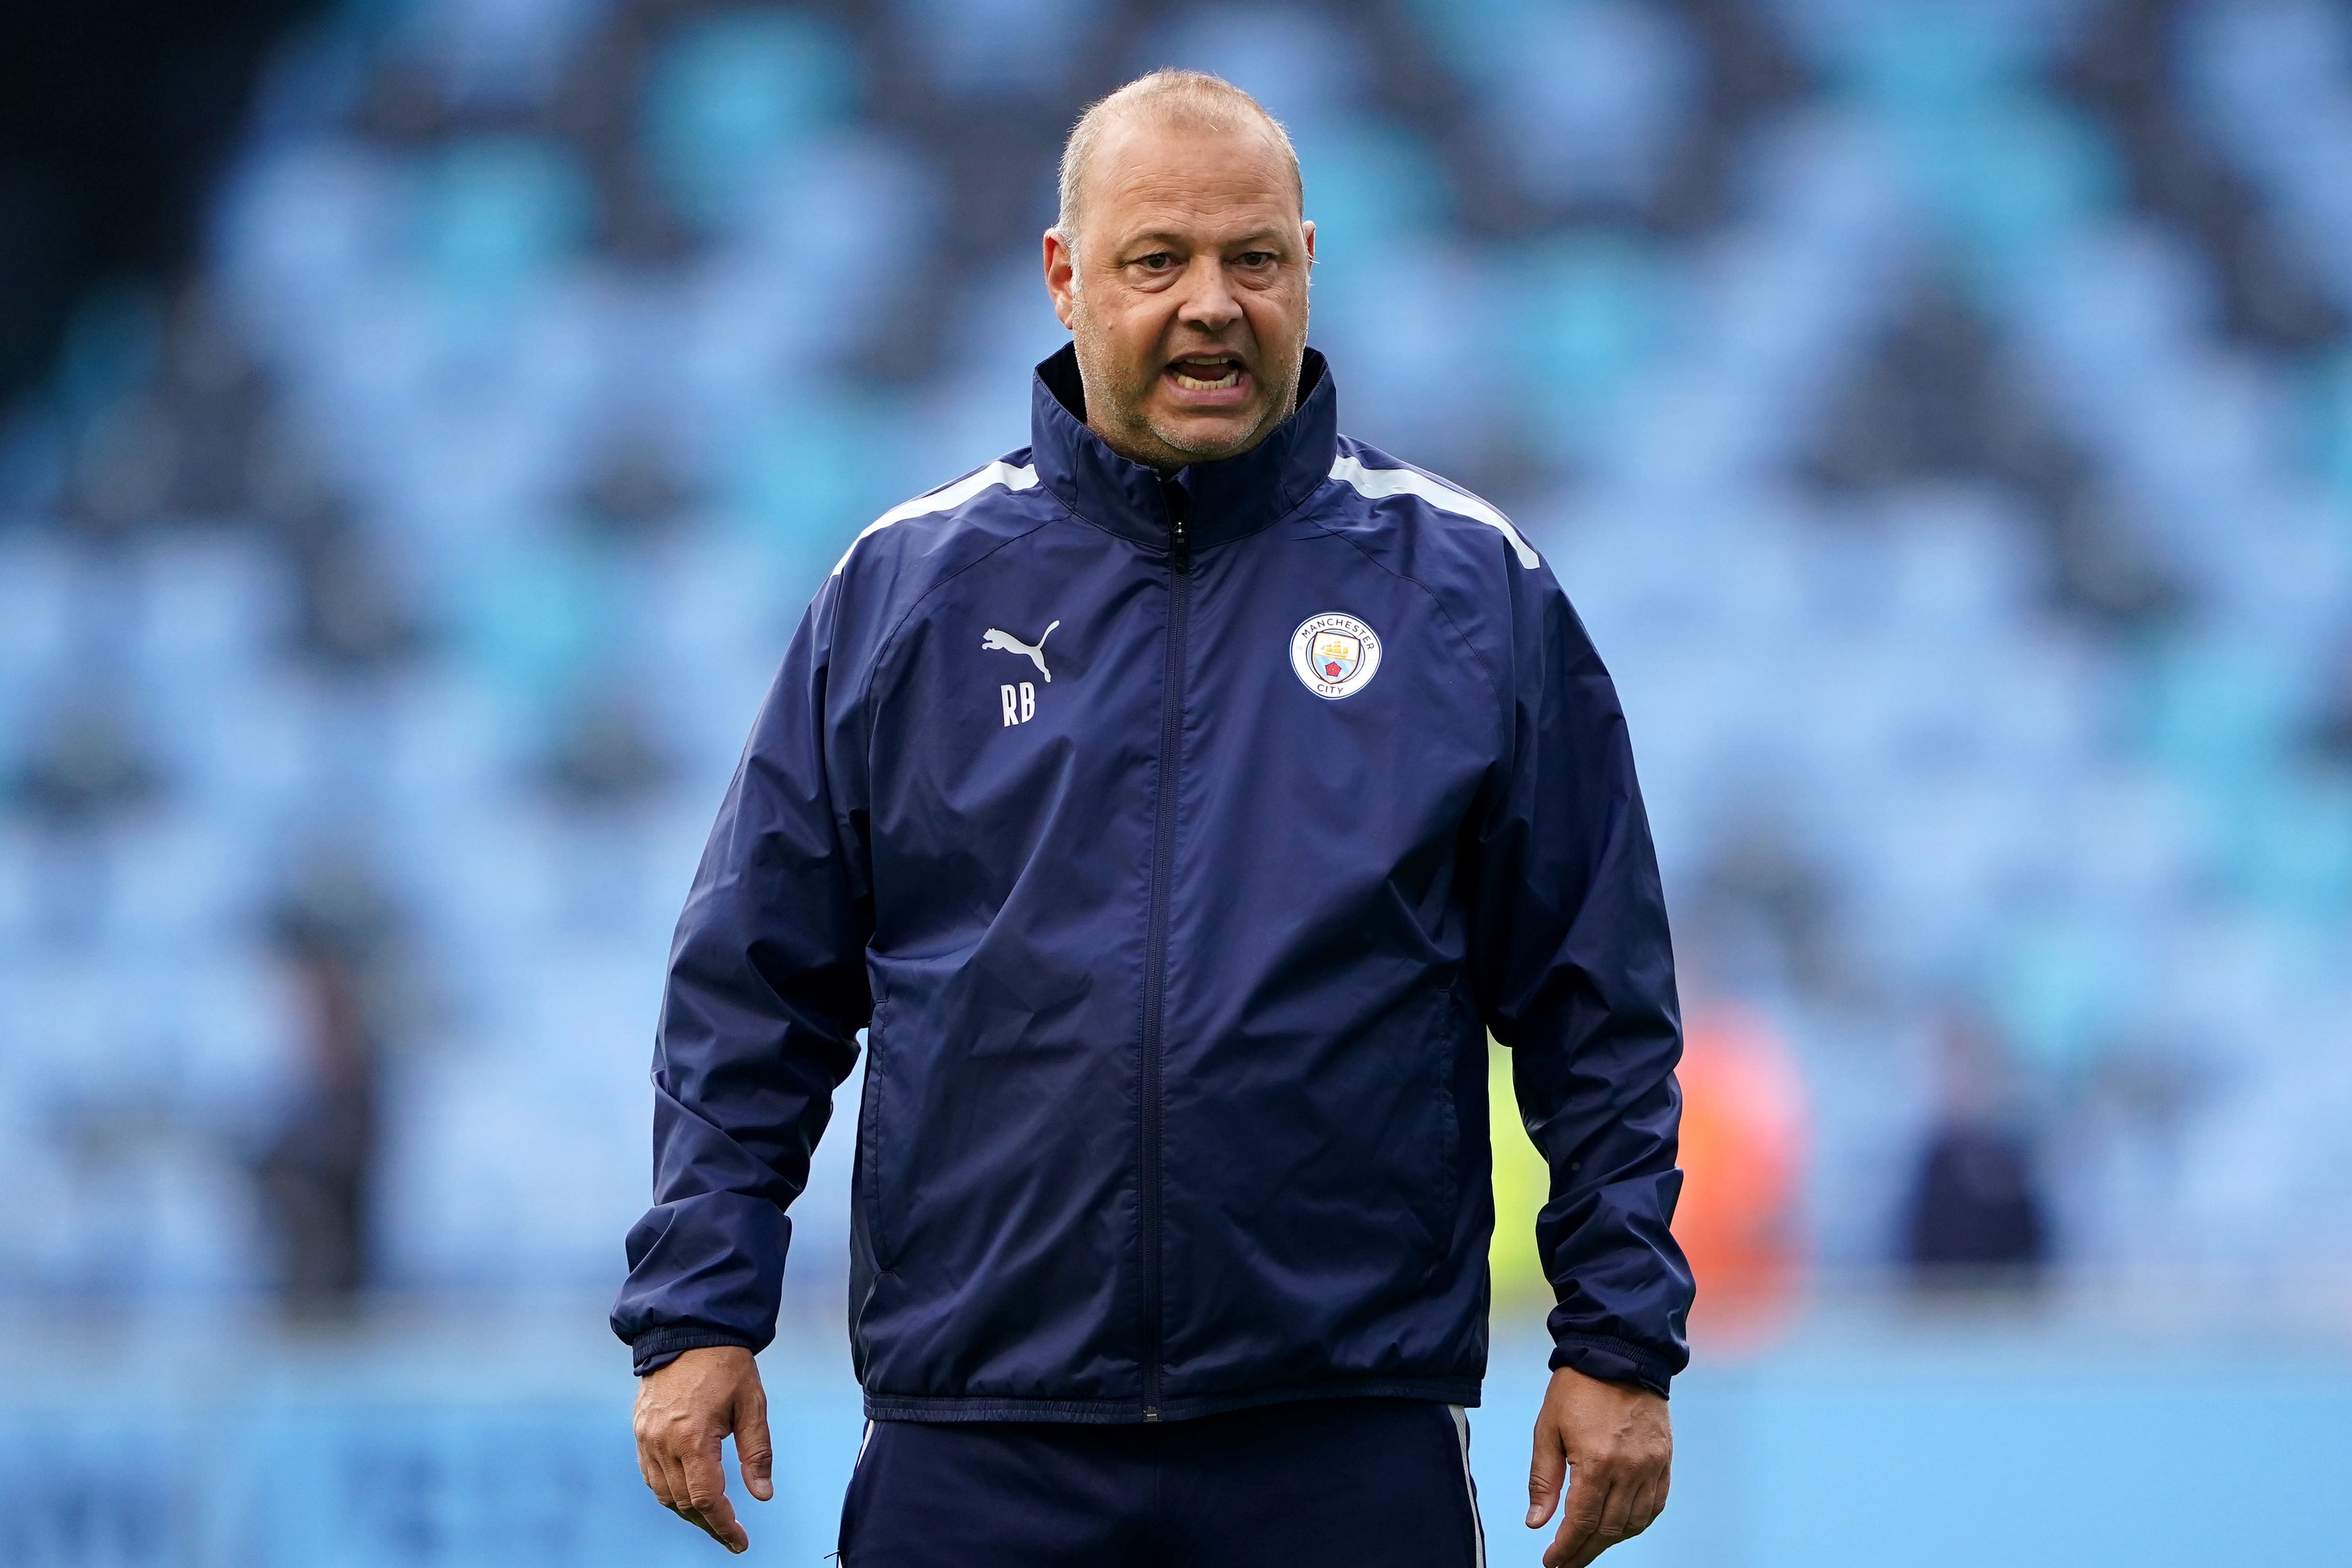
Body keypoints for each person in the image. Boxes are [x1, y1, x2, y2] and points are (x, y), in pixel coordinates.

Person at [614, 69, 1692, 1568]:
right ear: (1064, 278)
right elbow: (753, 986)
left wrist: (1618, 1337)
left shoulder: (1469, 592)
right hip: (980, 1434)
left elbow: (1599, 1004)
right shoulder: (906, 592)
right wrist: (696, 1310)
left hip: (1337, 1432)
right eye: (1156, 260)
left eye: (1253, 259)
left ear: (1308, 266)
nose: (1211, 303)